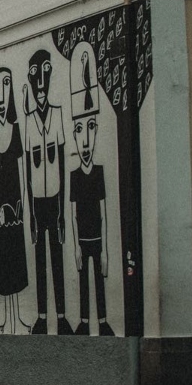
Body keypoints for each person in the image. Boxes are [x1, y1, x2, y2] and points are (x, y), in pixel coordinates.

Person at [24, 49, 72, 335]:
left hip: (54, 199)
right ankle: (42, 316)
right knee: (40, 261)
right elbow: (28, 173)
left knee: (57, 259)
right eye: (35, 75)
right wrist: (30, 212)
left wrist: (64, 212)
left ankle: (63, 316)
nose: (40, 83)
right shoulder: (30, 121)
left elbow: (63, 162)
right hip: (38, 202)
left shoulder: (57, 114)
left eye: (44, 72)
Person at [69, 46, 114, 337]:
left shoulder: (97, 172)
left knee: (98, 278)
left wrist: (107, 249)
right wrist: (74, 246)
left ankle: (104, 320)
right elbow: (72, 215)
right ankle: (84, 322)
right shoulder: (75, 175)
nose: (85, 141)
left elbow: (105, 212)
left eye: (90, 129)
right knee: (84, 280)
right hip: (82, 237)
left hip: (97, 237)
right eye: (80, 131)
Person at [0, 67, 30, 334]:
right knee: (2, 264)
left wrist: (22, 208)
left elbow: (23, 173)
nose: (0, 93)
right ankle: (5, 319)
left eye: (5, 85)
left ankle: (18, 317)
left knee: (15, 262)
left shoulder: (16, 130)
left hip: (15, 208)